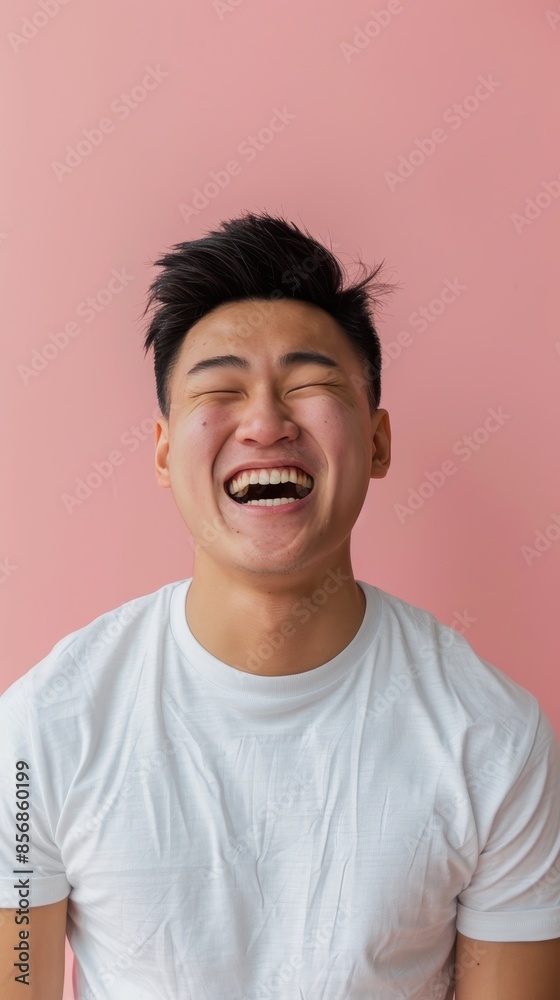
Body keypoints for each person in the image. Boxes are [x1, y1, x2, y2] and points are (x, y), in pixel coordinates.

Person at [0, 211, 559, 999]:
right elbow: (18, 975)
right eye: (220, 390)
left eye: (310, 386)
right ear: (165, 453)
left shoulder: (494, 742)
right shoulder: (41, 731)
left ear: (378, 440)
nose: (265, 423)